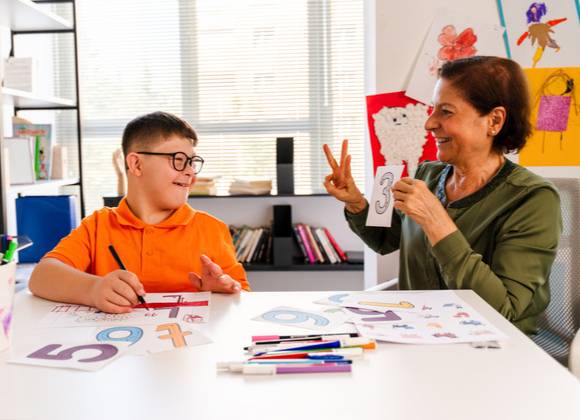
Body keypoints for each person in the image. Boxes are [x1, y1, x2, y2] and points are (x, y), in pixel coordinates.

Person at [323, 56, 561, 334]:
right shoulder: (428, 173)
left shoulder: (533, 199)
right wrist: (357, 203)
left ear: (494, 121)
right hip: (419, 334)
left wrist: (437, 222)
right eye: (433, 110)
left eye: (446, 111)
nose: (429, 124)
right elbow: (386, 240)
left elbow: (503, 310)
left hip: (493, 348)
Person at [29, 111, 249, 314]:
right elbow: (41, 277)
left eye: (192, 162)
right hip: (116, 350)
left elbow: (243, 299)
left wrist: (219, 292)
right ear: (136, 164)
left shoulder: (211, 229)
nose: (191, 172)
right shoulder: (97, 225)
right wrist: (93, 289)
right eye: (179, 160)